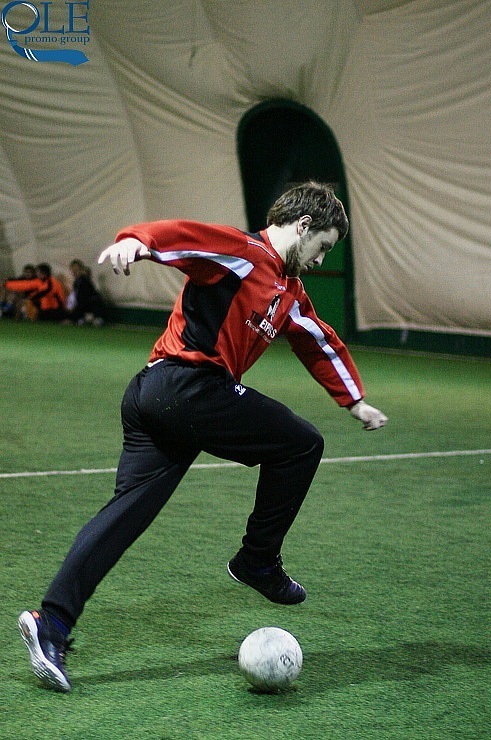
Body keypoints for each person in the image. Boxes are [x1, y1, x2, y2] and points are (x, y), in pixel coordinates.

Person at [18, 181, 388, 692]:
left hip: (160, 397)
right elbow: (184, 236)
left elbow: (318, 341)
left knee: (124, 516)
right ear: (303, 227)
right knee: (303, 444)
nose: (321, 259)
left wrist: (354, 400)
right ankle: (258, 561)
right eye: (322, 246)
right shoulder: (244, 253)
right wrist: (137, 242)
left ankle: (52, 623)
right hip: (185, 387)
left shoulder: (289, 292)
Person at [65, 259, 105, 326]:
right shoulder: (77, 282)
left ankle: (95, 317)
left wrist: (74, 316)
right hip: (84, 305)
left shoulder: (84, 281)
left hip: (92, 306)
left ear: (81, 270)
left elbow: (83, 299)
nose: (74, 272)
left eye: (76, 269)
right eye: (73, 270)